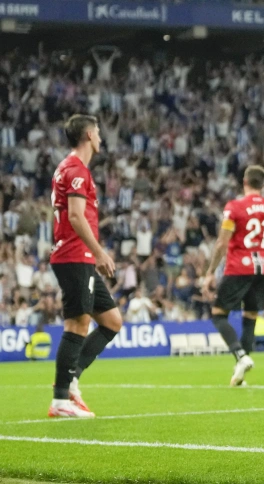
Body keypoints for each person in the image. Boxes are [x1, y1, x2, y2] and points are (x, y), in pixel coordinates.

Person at [48, 114, 124, 418]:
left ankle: (72, 378)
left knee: (112, 321)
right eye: (99, 133)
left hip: (77, 256)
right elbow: (76, 216)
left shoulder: (66, 168)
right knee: (77, 323)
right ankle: (60, 401)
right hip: (75, 255)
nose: (101, 138)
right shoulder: (77, 170)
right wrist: (100, 252)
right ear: (90, 135)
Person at [202, 165, 264, 387]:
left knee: (218, 314)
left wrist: (210, 272)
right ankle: (240, 375)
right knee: (250, 318)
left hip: (238, 268)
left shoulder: (234, 207)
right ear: (263, 185)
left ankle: (241, 356)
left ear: (244, 182)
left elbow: (222, 243)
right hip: (262, 270)